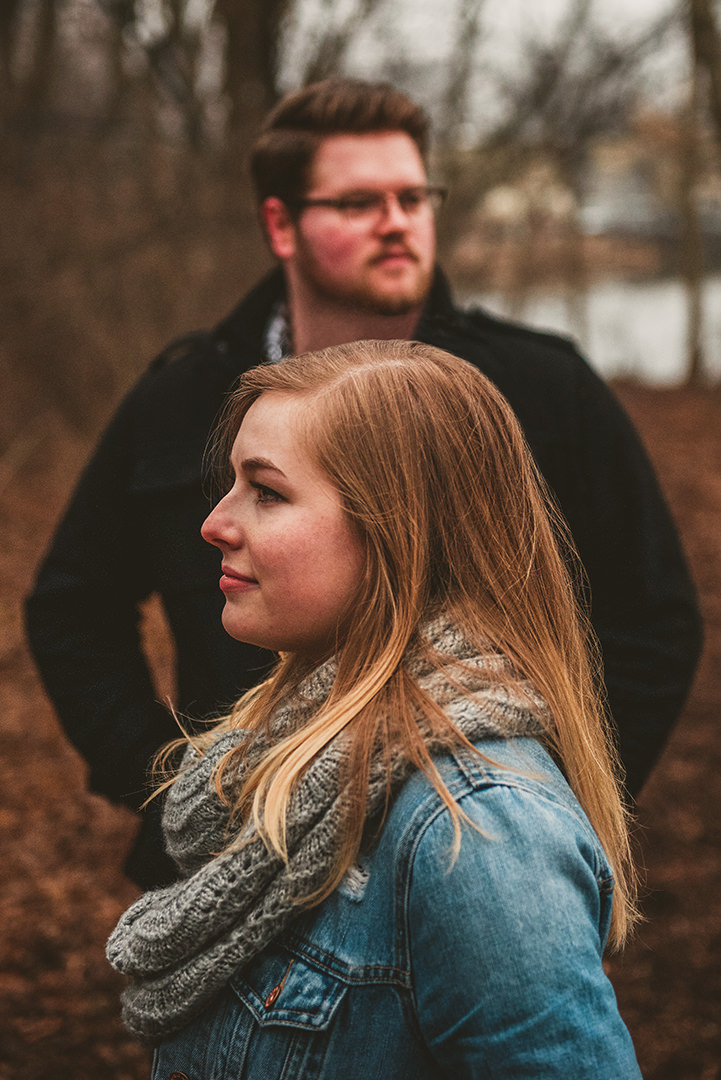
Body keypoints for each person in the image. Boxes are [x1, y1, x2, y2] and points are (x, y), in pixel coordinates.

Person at [26, 78, 702, 891]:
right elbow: (74, 607)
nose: (397, 221)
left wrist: (540, 815)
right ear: (280, 223)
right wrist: (173, 788)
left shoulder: (539, 389)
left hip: (467, 867)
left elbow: (652, 620)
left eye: (413, 195)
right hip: (237, 872)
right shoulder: (183, 396)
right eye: (357, 202)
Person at [107, 340, 643, 1077]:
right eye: (231, 483)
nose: (216, 523)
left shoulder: (479, 834)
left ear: (398, 531)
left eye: (266, 491)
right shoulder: (291, 759)